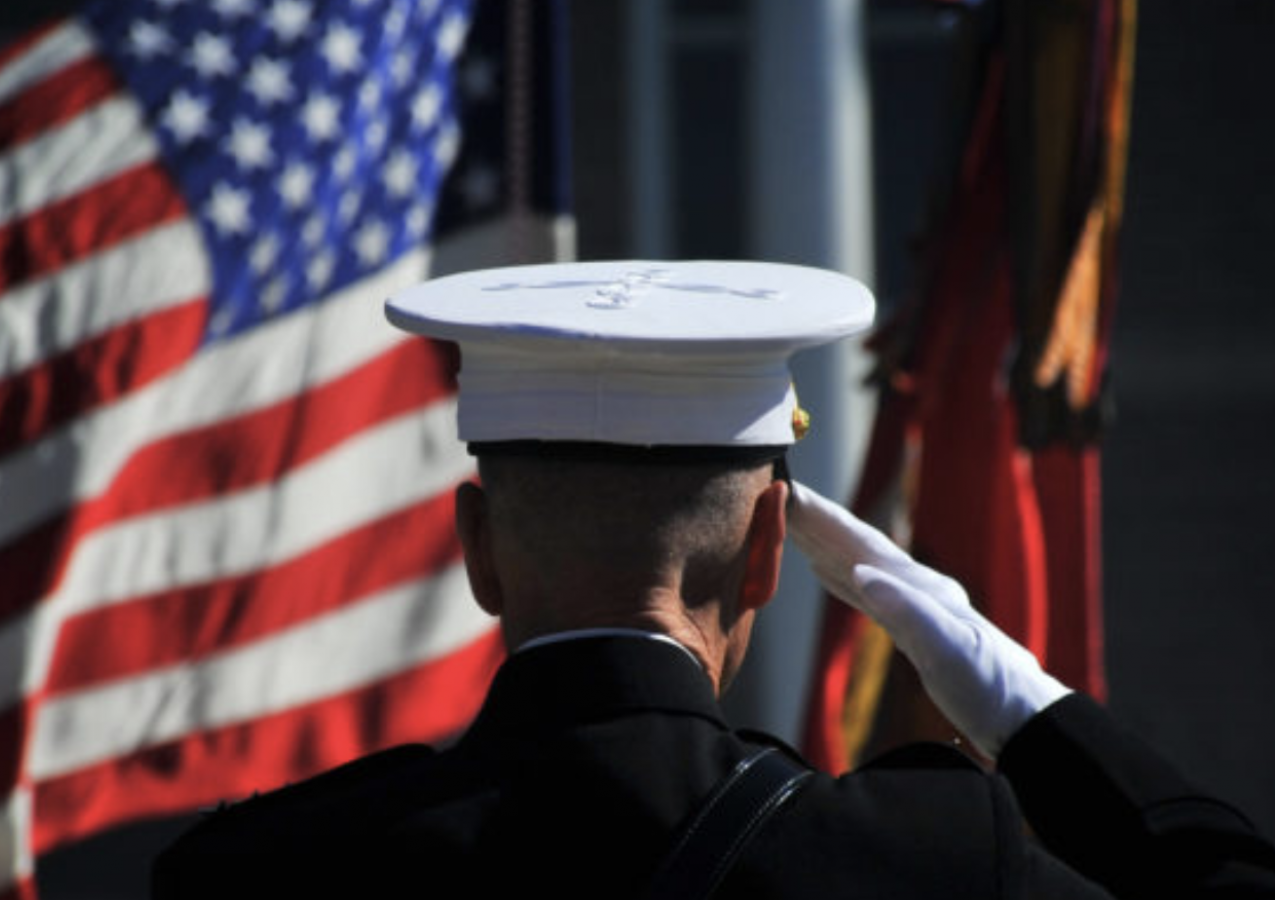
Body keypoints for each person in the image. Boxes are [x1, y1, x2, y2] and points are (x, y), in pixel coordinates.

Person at [151, 261, 1275, 899]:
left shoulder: (257, 876)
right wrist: (1031, 717)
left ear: (479, 547)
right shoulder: (925, 862)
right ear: (770, 546)